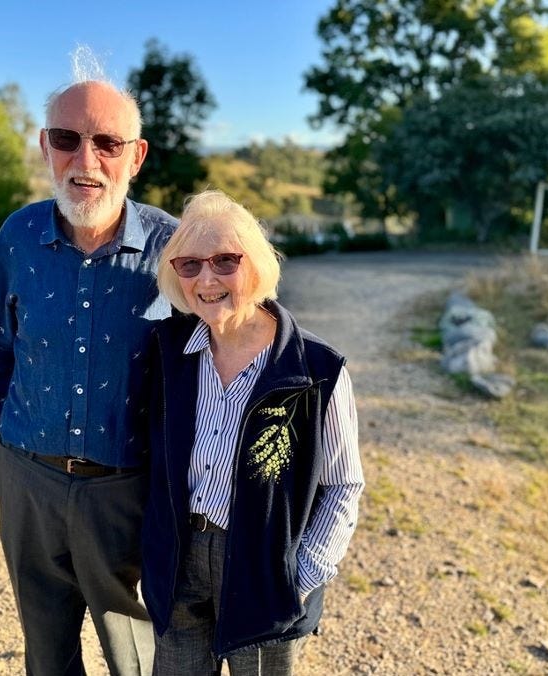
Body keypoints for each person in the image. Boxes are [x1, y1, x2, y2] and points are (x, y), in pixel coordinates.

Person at [0, 78, 177, 676]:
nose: (86, 160)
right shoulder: (18, 236)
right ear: (45, 146)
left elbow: (228, 348)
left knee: (138, 656)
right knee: (45, 652)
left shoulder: (175, 248)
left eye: (108, 143)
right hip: (26, 481)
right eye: (67, 139)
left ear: (136, 156)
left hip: (129, 492)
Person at [141, 190, 365, 675]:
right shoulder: (166, 354)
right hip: (179, 562)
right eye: (189, 265)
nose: (207, 279)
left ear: (258, 265)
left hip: (262, 570)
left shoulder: (317, 370)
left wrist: (300, 574)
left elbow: (343, 485)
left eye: (225, 261)